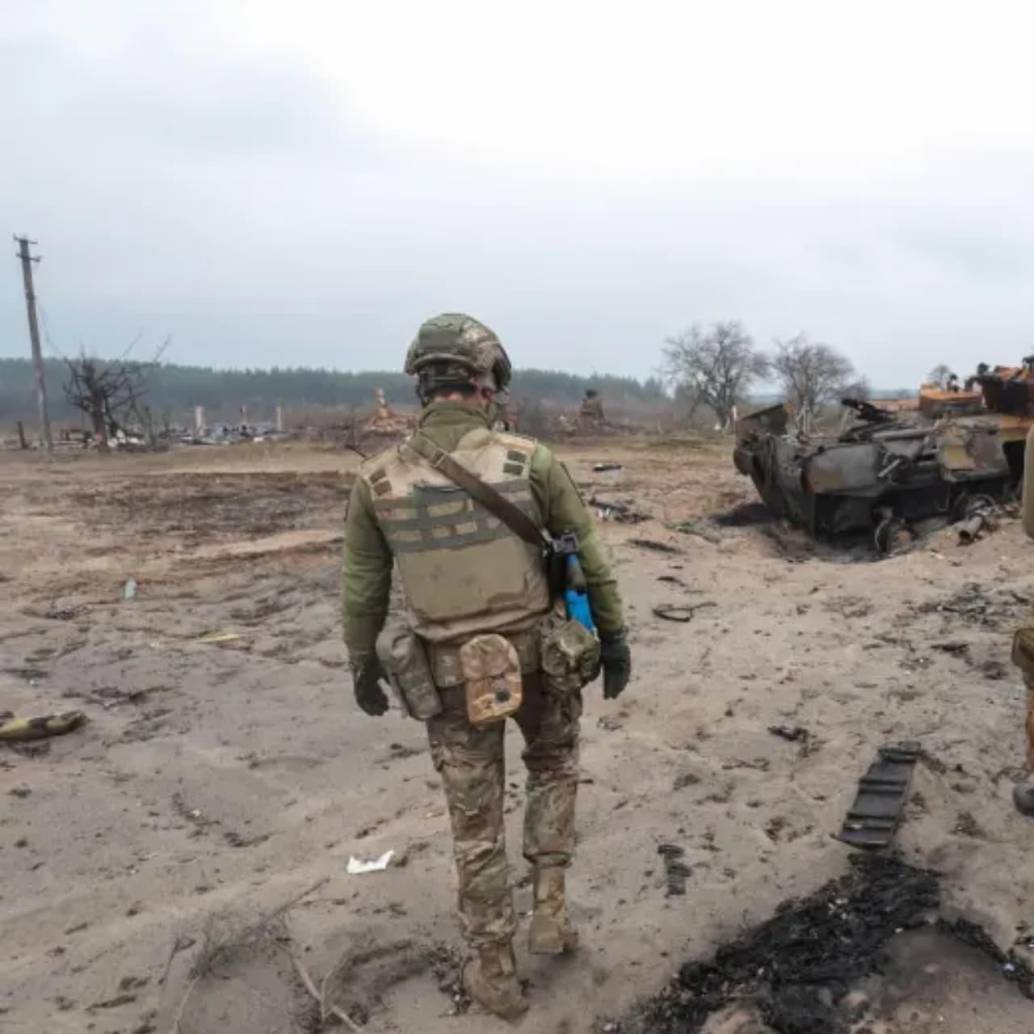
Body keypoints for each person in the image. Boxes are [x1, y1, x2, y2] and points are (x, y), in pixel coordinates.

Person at [341, 313, 631, 1019]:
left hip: (447, 676)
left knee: (473, 825)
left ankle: (494, 970)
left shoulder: (377, 482)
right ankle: (551, 913)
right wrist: (615, 641)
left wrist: (362, 667)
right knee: (555, 767)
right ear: (487, 380)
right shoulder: (531, 461)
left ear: (421, 384)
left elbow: (363, 591)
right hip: (542, 663)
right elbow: (589, 561)